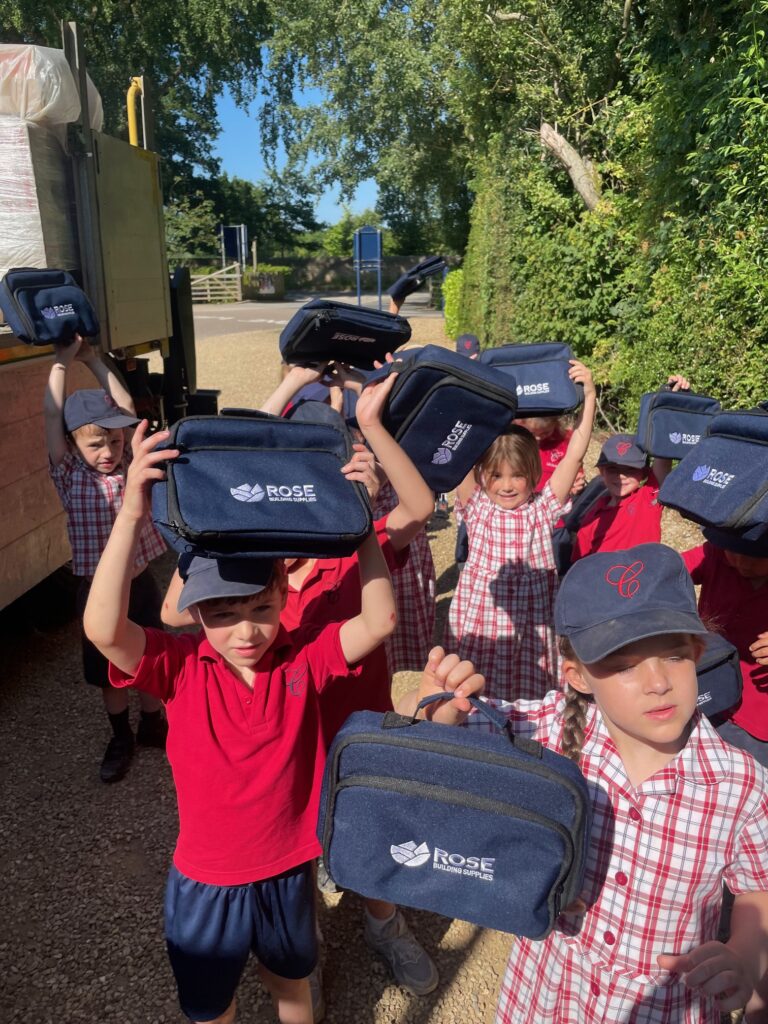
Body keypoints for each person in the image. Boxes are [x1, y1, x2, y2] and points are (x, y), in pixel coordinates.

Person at [82, 419, 397, 1024]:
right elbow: (102, 630)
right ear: (194, 611)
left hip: (288, 871)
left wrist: (361, 531)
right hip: (206, 882)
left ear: (283, 592)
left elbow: (378, 621)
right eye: (223, 614)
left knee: (291, 987)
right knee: (211, 1006)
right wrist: (130, 516)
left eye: (261, 608)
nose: (246, 630)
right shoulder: (179, 670)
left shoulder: (302, 660)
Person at [423, 543, 768, 1023]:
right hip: (551, 991)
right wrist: (439, 712)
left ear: (697, 651)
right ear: (578, 676)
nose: (657, 682)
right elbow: (456, 735)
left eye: (672, 654)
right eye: (624, 664)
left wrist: (747, 954)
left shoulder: (742, 785)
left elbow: (758, 889)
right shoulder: (548, 730)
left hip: (664, 1006)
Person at [44, 335, 167, 783]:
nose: (109, 453)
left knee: (150, 654)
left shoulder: (129, 463)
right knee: (107, 668)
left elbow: (126, 409)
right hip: (97, 592)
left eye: (114, 442)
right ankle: (121, 735)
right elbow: (51, 417)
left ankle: (153, 723)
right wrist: (61, 362)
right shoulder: (68, 472)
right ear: (74, 446)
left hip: (141, 583)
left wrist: (95, 361)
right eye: (96, 445)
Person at [445, 359, 596, 701]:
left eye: (518, 475)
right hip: (482, 623)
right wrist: (469, 384)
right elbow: (459, 443)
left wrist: (588, 394)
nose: (507, 485)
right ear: (483, 474)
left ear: (533, 472)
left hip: (532, 627)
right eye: (496, 475)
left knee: (529, 699)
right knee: (472, 695)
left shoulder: (543, 508)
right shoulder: (476, 505)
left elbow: (576, 451)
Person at [570, 374, 690, 563]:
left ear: (644, 473)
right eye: (612, 469)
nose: (621, 476)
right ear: (601, 471)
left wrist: (672, 400)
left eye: (630, 469)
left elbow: (663, 452)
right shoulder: (593, 515)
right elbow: (579, 563)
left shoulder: (648, 498)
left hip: (638, 585)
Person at [682, 528, 768, 768]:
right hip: (706, 689)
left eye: (757, 557)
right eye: (734, 551)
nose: (741, 563)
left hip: (756, 717)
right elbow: (671, 571)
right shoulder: (716, 554)